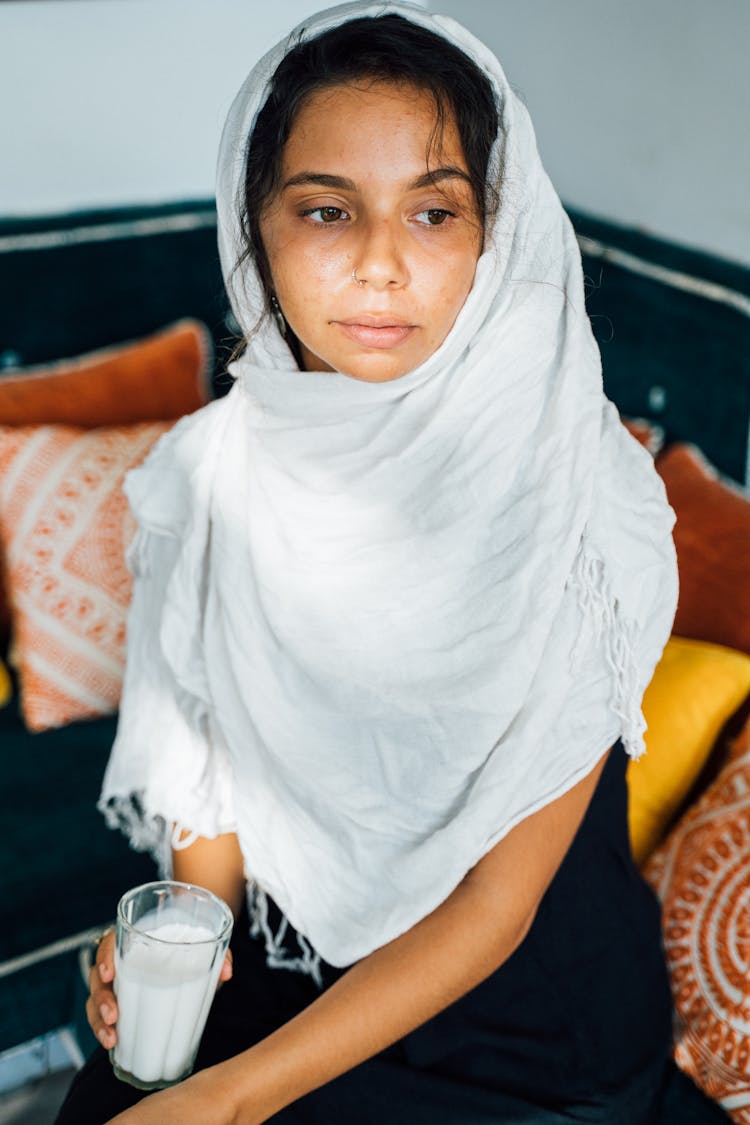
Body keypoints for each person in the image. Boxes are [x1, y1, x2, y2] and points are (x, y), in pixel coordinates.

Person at [54, 3, 726, 1123]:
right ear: (252, 227)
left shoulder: (581, 494)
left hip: (521, 1031)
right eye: (326, 209)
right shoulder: (210, 475)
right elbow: (208, 820)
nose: (378, 263)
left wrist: (226, 1102)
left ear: (492, 235)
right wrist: (174, 952)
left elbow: (497, 908)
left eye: (432, 212)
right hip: (285, 971)